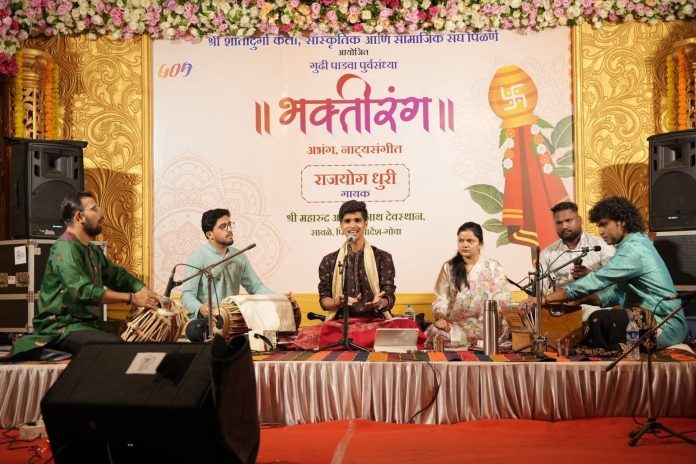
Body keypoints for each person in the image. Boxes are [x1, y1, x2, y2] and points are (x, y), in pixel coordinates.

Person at [11, 191, 162, 357]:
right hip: (61, 327)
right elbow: (82, 291)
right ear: (79, 216)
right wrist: (131, 298)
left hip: (87, 325)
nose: (102, 214)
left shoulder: (92, 250)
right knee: (116, 347)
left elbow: (117, 276)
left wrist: (144, 291)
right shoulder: (66, 248)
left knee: (138, 336)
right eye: (95, 209)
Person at [539, 196, 687, 349]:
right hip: (643, 318)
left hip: (665, 323)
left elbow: (597, 279)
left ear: (622, 221)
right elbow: (615, 293)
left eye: (604, 224)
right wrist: (580, 300)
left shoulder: (634, 249)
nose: (600, 231)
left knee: (601, 320)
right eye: (599, 226)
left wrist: (545, 299)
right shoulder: (628, 245)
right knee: (598, 323)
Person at [293, 200, 422, 350]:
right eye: (347, 221)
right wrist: (338, 302)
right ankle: (368, 342)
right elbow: (324, 301)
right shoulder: (329, 261)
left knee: (409, 325)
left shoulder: (382, 257)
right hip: (341, 325)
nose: (352, 225)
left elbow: (389, 297)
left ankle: (359, 341)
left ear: (366, 223)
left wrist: (380, 303)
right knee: (306, 334)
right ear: (341, 225)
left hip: (376, 322)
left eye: (357, 220)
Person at [181, 208, 274, 342]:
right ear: (210, 234)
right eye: (223, 226)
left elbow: (255, 287)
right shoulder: (198, 257)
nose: (229, 229)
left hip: (232, 319)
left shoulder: (239, 256)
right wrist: (200, 308)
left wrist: (276, 298)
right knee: (195, 330)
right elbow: (187, 294)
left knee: (262, 326)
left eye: (230, 224)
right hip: (208, 320)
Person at [426, 222, 511, 350]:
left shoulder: (494, 267)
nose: (465, 245)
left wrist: (494, 322)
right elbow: (441, 298)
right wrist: (441, 318)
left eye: (470, 241)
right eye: (461, 241)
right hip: (457, 327)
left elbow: (503, 299)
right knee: (435, 332)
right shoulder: (449, 267)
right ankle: (471, 343)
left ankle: (480, 342)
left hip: (486, 326)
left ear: (480, 244)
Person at [539, 201, 615, 321]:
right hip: (561, 314)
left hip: (595, 311)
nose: (564, 226)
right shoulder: (548, 253)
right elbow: (539, 290)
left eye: (568, 220)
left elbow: (616, 281)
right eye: (559, 223)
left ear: (579, 220)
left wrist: (591, 275)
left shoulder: (601, 245)